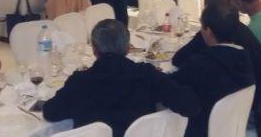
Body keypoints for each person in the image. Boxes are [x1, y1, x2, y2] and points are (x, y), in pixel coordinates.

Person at [43, 19, 200, 137]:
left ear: (94, 49)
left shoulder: (80, 81)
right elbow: (190, 105)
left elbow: (50, 113)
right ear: (127, 47)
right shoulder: (146, 75)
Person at [172, 0, 261, 113]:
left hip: (211, 118)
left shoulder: (201, 63)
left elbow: (177, 70)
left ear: (208, 31)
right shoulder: (243, 54)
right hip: (245, 110)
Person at [171, 0, 256, 137]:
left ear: (209, 31)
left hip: (201, 129)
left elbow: (173, 85)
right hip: (231, 127)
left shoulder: (200, 63)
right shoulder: (244, 57)